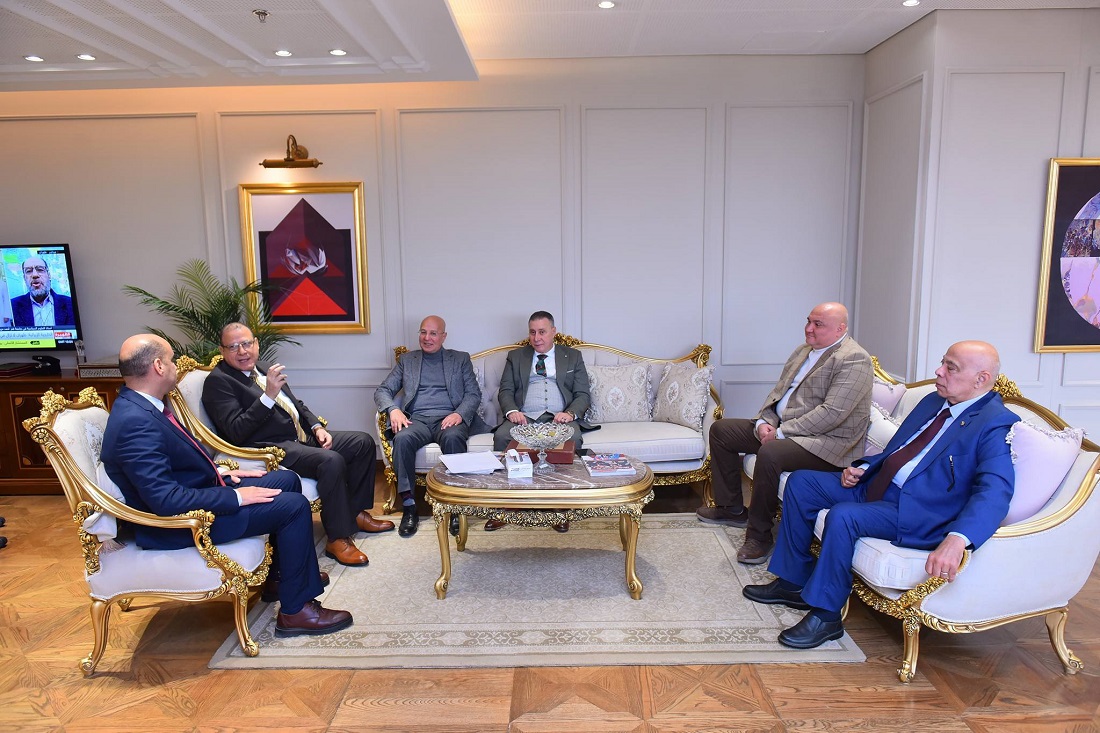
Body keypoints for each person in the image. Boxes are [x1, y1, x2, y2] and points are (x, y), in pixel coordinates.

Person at [743, 340, 1018, 650]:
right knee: (802, 483)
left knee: (844, 516)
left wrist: (958, 538)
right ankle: (794, 580)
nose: (938, 371)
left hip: (916, 511)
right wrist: (863, 467)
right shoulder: (933, 401)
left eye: (950, 368)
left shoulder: (995, 423)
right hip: (878, 485)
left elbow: (994, 490)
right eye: (942, 362)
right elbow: (899, 450)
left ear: (981, 379)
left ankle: (827, 615)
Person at [102, 334, 351, 636]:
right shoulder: (135, 421)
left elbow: (173, 466)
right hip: (180, 524)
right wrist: (236, 498)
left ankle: (281, 578)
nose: (174, 366)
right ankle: (296, 611)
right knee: (293, 507)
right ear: (158, 366)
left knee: (285, 479)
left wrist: (222, 472)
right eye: (171, 360)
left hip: (198, 495)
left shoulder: (143, 406)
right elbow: (165, 500)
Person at [201, 323, 392, 568]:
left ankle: (355, 513)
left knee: (362, 443)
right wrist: (268, 396)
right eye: (233, 346)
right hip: (270, 446)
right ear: (222, 350)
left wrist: (316, 427)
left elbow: (295, 404)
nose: (242, 351)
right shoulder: (218, 382)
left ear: (256, 344)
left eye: (247, 343)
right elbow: (236, 432)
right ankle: (337, 538)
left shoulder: (263, 367)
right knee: (330, 460)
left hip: (301, 435)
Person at [697, 302, 872, 565]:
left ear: (841, 329)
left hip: (827, 443)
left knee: (771, 452)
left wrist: (781, 433)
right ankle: (731, 508)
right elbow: (779, 394)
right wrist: (763, 422)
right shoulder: (803, 351)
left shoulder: (854, 359)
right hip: (786, 429)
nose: (809, 329)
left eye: (818, 324)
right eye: (808, 321)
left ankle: (759, 536)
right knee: (722, 430)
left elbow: (832, 413)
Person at [375, 315, 490, 537]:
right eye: (423, 332)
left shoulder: (460, 359)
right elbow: (383, 390)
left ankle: (455, 507)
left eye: (433, 333)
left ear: (443, 336)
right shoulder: (407, 360)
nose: (427, 338)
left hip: (448, 419)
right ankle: (409, 507)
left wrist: (459, 414)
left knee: (453, 438)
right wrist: (393, 409)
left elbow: (473, 394)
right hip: (416, 420)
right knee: (402, 439)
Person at [488, 310, 594, 533]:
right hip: (524, 416)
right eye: (533, 332)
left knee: (573, 437)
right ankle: (506, 505)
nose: (537, 338)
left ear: (553, 332)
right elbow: (506, 390)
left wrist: (570, 413)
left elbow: (583, 393)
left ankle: (561, 506)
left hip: (559, 416)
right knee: (502, 436)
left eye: (542, 332)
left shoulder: (572, 356)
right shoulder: (516, 356)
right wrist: (512, 411)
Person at [11, 256, 76, 328]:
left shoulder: (70, 304)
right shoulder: (12, 306)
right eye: (29, 271)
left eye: (40, 269)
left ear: (49, 275)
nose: (35, 275)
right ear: (24, 278)